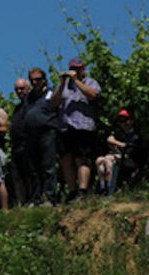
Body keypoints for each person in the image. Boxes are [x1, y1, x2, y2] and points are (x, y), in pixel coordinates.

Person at [51, 56, 101, 201]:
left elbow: (93, 95)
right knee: (66, 160)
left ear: (83, 68)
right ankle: (72, 191)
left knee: (82, 159)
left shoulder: (90, 82)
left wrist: (76, 81)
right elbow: (53, 103)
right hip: (65, 128)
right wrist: (62, 84)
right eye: (72, 68)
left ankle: (83, 190)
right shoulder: (65, 86)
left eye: (77, 68)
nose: (74, 71)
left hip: (83, 127)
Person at [23, 68, 59, 206]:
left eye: (38, 79)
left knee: (48, 165)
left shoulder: (51, 92)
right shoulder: (30, 96)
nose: (35, 82)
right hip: (31, 134)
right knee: (34, 167)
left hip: (47, 131)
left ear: (44, 79)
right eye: (32, 80)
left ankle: (50, 197)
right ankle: (36, 197)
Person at [95, 109, 144, 193]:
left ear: (131, 121)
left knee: (108, 159)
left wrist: (116, 143)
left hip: (131, 160)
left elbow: (130, 148)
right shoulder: (120, 133)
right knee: (99, 160)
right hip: (119, 156)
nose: (123, 123)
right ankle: (103, 187)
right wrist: (116, 144)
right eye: (120, 121)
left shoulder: (135, 135)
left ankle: (110, 187)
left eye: (125, 120)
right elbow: (112, 142)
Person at [9, 78, 31, 205]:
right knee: (17, 176)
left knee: (29, 174)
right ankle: (21, 202)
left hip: (28, 143)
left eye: (22, 88)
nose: (19, 91)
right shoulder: (17, 108)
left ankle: (33, 199)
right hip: (16, 145)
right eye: (17, 89)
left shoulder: (32, 104)